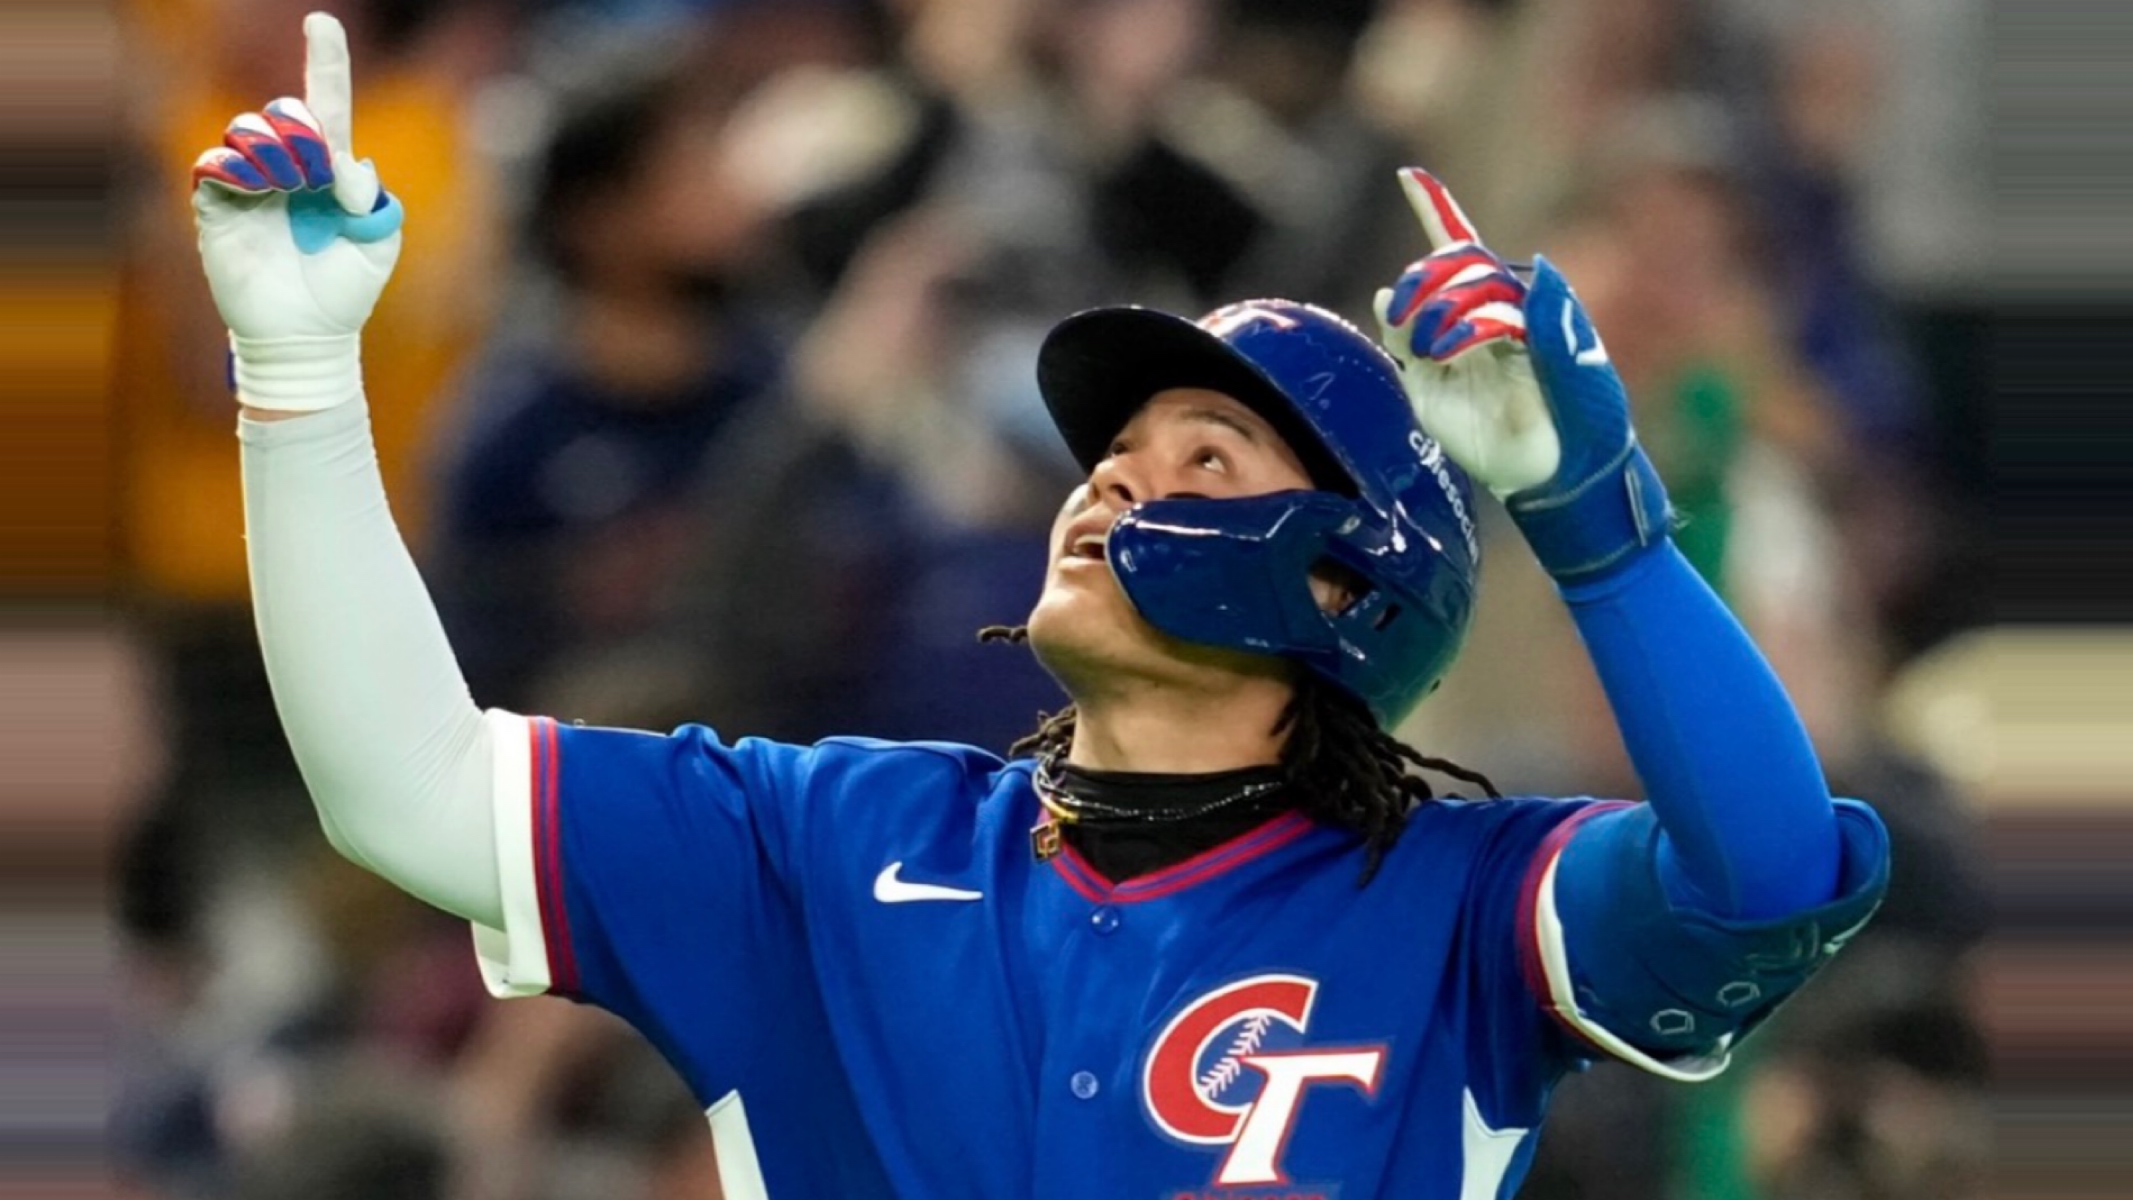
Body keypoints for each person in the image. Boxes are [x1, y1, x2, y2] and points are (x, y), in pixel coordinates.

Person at [194, 14, 1889, 1198]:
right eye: (1114, 453)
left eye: (1204, 455)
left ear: (1344, 581)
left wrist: (1593, 518)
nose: (1116, 482)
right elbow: (402, 785)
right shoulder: (819, 840)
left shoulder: (1457, 902)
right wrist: (296, 366)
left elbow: (1766, 870)